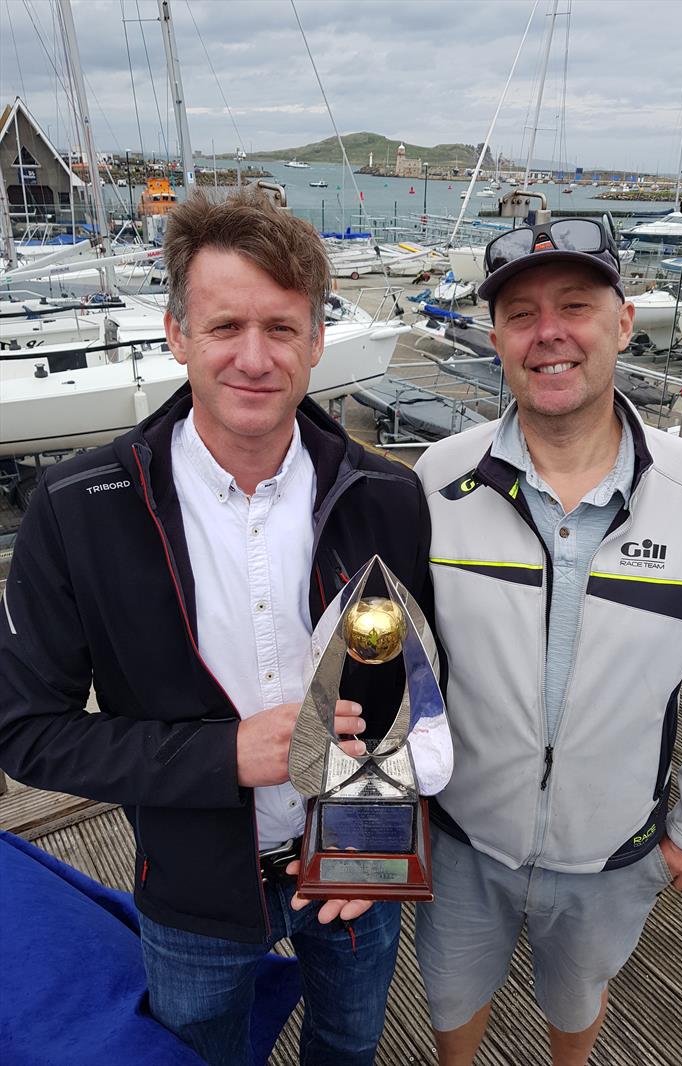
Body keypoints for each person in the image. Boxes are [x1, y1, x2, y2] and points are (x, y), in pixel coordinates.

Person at [0, 188, 436, 1066]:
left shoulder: (389, 496)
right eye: (224, 326)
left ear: (317, 341)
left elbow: (415, 685)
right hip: (192, 886)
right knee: (198, 1055)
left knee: (349, 1047)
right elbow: (25, 734)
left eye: (281, 329)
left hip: (352, 865)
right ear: (176, 335)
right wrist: (225, 755)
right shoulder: (79, 508)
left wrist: (374, 838)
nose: (253, 357)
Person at [413, 216, 682, 1066]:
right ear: (496, 337)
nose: (549, 334)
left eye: (575, 305)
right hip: (462, 834)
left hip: (616, 847)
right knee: (450, 993)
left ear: (621, 322)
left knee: (578, 994)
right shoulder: (438, 480)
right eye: (521, 314)